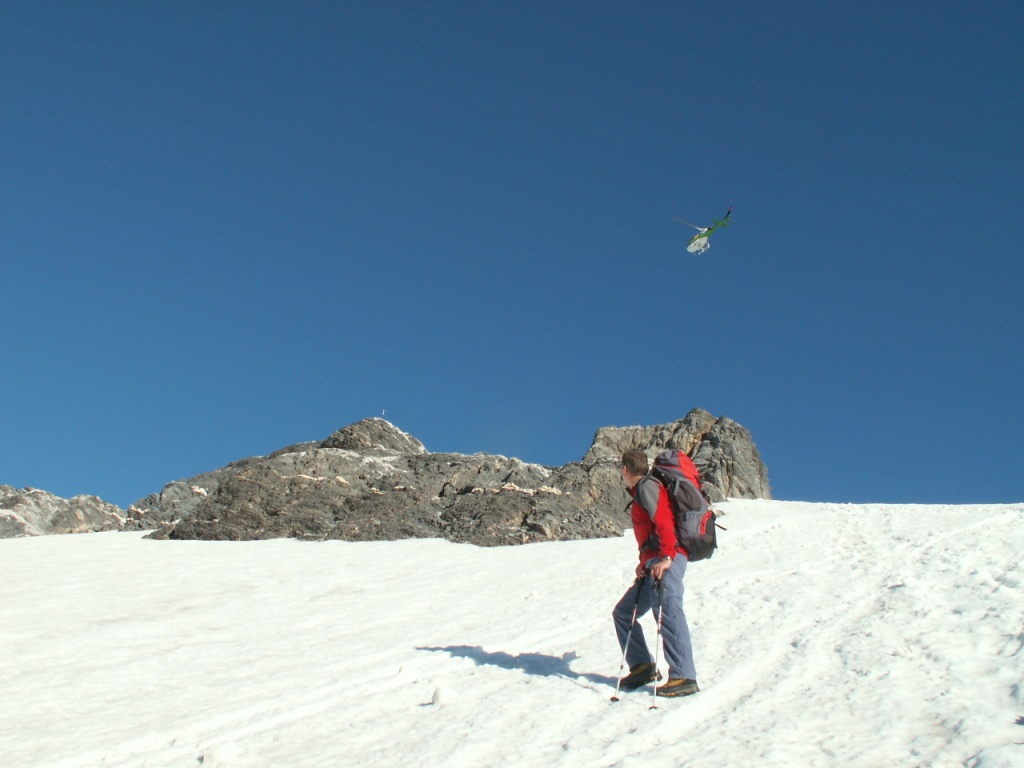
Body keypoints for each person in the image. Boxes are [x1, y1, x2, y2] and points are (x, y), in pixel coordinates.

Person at [612, 448, 699, 697]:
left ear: (625, 469)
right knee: (624, 613)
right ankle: (642, 667)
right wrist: (644, 562)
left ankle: (684, 676)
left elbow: (663, 520)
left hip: (669, 558)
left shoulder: (648, 487)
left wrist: (668, 556)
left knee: (668, 610)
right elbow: (649, 533)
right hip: (654, 562)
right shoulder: (642, 490)